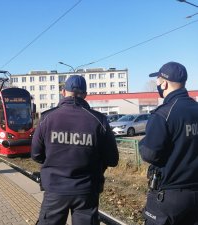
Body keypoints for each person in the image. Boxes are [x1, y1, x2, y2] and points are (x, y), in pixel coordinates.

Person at [31, 75, 119, 225]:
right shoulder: (99, 120)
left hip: (54, 189)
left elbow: (36, 154)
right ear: (85, 95)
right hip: (87, 191)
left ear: (63, 92)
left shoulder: (47, 118)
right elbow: (112, 159)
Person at [139, 62, 198, 224]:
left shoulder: (163, 114)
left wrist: (142, 143)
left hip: (169, 196)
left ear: (164, 83)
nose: (157, 84)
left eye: (158, 80)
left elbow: (150, 154)